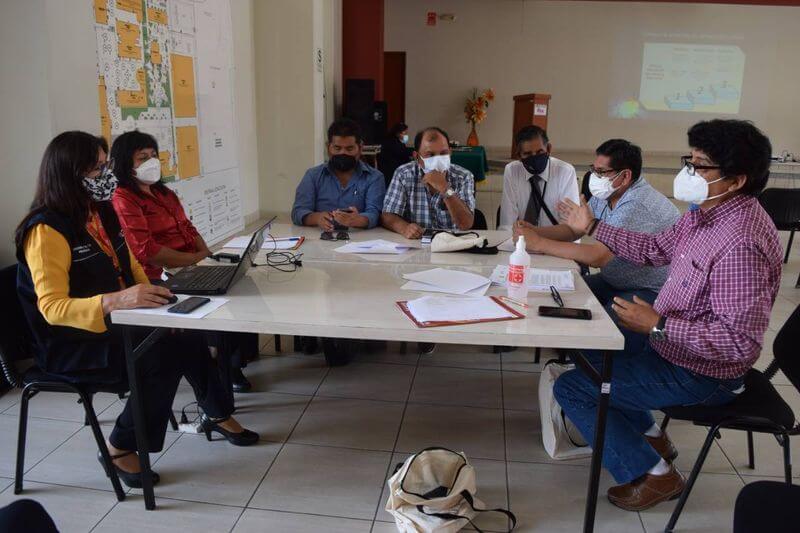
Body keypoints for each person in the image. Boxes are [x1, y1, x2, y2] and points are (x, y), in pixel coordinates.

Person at [553, 119, 782, 511]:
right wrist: (591, 225)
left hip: (702, 373)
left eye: (700, 166)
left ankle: (654, 475)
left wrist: (658, 324)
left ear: (737, 180)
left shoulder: (742, 241)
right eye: (688, 161)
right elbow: (654, 249)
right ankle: (651, 434)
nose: (688, 173)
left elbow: (738, 344)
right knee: (587, 350)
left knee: (573, 387)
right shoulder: (705, 212)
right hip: (670, 345)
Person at [15, 132, 259, 488]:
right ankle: (119, 447)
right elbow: (53, 308)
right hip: (70, 341)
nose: (106, 176)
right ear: (70, 173)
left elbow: (132, 268)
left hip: (118, 321)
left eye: (105, 166)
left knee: (182, 330)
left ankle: (217, 413)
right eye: (97, 169)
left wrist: (159, 301)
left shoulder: (100, 213)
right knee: (160, 355)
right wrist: (119, 300)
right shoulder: (47, 230)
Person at [109, 131, 258, 392]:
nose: (151, 162)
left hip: (190, 263)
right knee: (219, 303)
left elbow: (187, 227)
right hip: (158, 273)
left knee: (241, 286)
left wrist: (207, 256)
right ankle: (221, 365)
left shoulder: (163, 193)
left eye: (154, 155)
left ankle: (231, 361)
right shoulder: (123, 199)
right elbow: (147, 251)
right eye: (142, 157)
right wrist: (195, 260)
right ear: (125, 163)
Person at [513, 139, 680, 352]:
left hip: (646, 290)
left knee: (594, 336)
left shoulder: (637, 204)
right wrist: (534, 232)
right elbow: (575, 230)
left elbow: (598, 256)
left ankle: (598, 374)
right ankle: (574, 358)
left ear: (625, 176)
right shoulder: (608, 193)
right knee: (559, 299)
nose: (595, 177)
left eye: (601, 172)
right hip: (615, 279)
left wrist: (540, 243)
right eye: (594, 169)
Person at [291, 118, 386, 231]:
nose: (343, 153)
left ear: (360, 148)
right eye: (337, 148)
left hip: (360, 240)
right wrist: (317, 218)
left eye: (349, 148)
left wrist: (358, 220)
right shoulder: (313, 175)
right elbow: (298, 212)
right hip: (319, 239)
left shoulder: (374, 177)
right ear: (328, 147)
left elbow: (375, 213)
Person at [381, 126, 475, 238]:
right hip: (415, 244)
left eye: (443, 153)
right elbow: (387, 215)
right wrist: (404, 228)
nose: (438, 160)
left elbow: (466, 224)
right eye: (430, 155)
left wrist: (445, 188)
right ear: (417, 157)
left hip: (452, 244)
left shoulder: (463, 176)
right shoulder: (404, 174)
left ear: (450, 152)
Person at [498, 126, 579, 230]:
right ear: (519, 155)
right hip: (522, 240)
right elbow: (507, 222)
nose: (534, 157)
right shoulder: (512, 171)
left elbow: (571, 225)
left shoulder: (565, 172)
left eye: (539, 152)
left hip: (555, 241)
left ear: (549, 149)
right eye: (527, 154)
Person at [378, 122, 413, 187]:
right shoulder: (393, 143)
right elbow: (403, 153)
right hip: (392, 171)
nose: (406, 135)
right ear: (398, 133)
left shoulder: (395, 141)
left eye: (406, 133)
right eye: (404, 133)